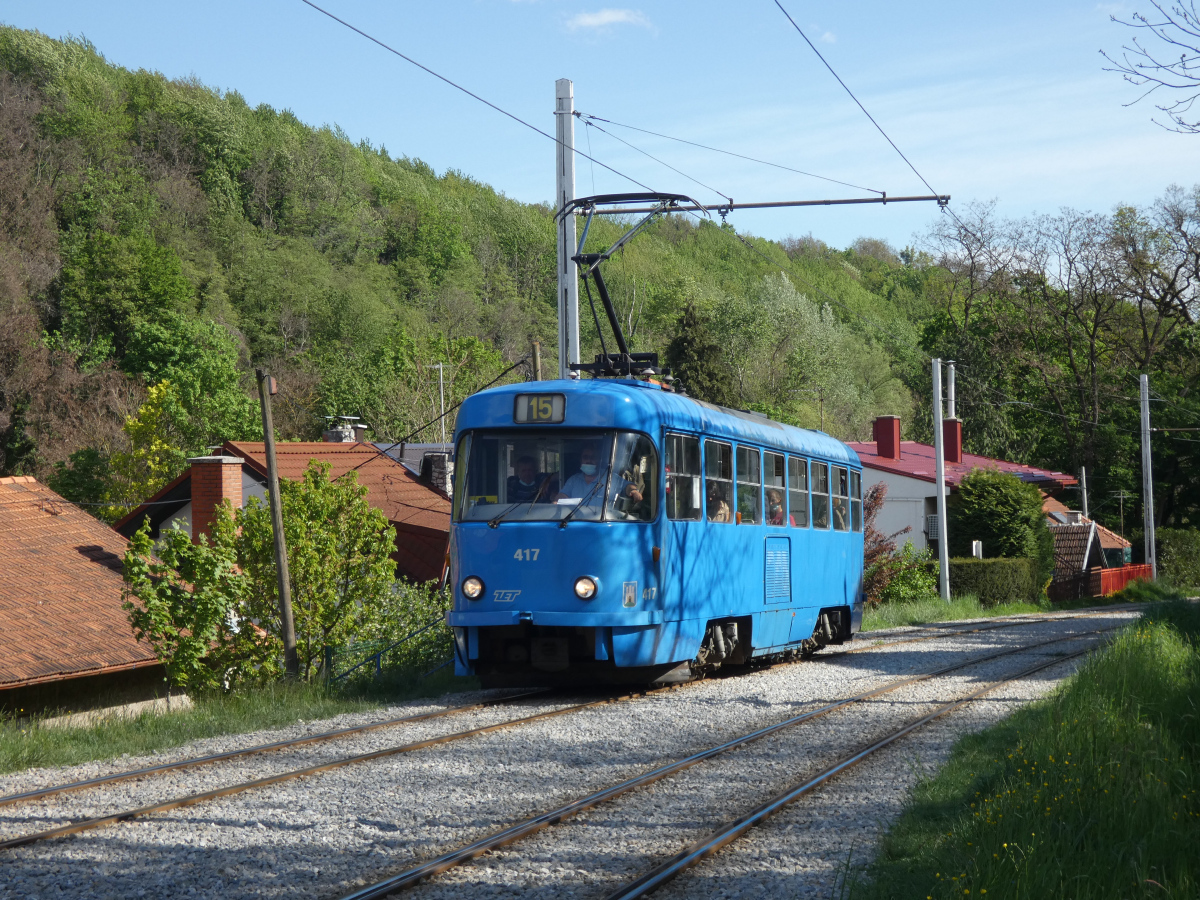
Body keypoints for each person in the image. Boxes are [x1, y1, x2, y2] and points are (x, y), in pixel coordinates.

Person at [557, 444, 642, 508]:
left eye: (593, 457)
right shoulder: (573, 480)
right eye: (585, 457)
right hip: (576, 524)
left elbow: (627, 486)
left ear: (599, 460)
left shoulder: (610, 478)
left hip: (602, 524)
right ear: (581, 460)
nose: (589, 460)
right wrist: (558, 499)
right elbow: (563, 495)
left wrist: (634, 491)